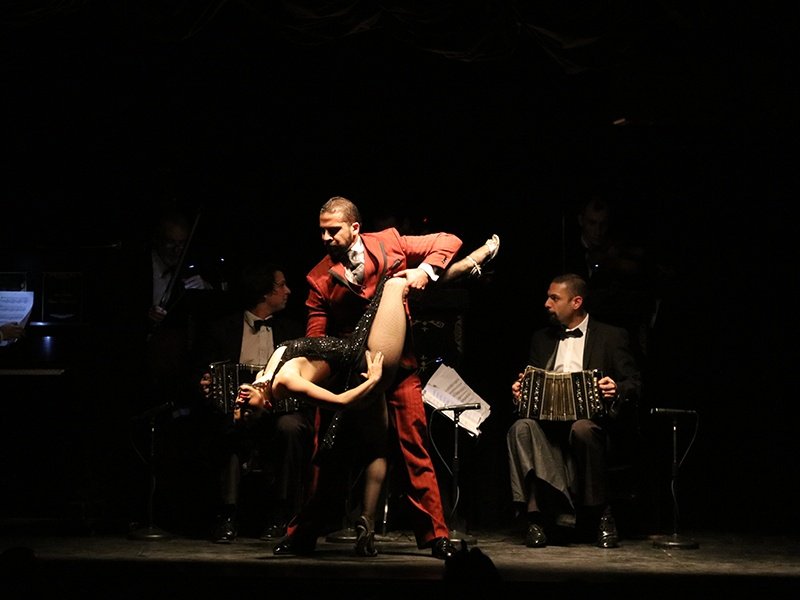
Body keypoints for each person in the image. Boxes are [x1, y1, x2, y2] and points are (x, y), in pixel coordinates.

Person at [267, 196, 499, 560]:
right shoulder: (318, 278)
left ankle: (436, 535)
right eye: (322, 231)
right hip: (347, 374)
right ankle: (304, 532)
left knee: (414, 446)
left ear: (355, 227)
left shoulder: (389, 241)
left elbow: (448, 241)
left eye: (334, 230)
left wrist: (424, 272)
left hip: (399, 368)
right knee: (325, 451)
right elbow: (316, 339)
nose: (326, 237)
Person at [506, 272, 642, 549]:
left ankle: (601, 514)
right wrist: (521, 390)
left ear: (576, 302)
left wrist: (616, 387)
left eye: (554, 298)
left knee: (582, 429)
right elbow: (532, 381)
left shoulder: (611, 336)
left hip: (590, 423)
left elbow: (635, 383)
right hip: (547, 424)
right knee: (520, 428)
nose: (547, 303)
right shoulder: (541, 339)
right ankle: (535, 518)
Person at [193, 261, 313, 543]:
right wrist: (204, 383)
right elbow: (196, 371)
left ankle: (281, 512)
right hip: (235, 411)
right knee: (228, 425)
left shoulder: (293, 330)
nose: (288, 291)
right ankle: (228, 512)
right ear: (264, 293)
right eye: (281, 285)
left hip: (278, 411)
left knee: (291, 427)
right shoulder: (221, 329)